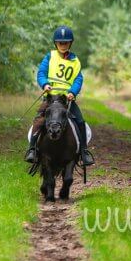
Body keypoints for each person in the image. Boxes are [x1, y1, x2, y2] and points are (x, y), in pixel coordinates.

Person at [24, 26, 95, 166]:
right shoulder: (50, 57)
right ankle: (32, 149)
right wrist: (44, 84)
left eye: (66, 42)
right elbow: (41, 73)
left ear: (70, 43)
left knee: (80, 121)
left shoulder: (75, 61)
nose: (63, 45)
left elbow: (78, 79)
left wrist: (72, 92)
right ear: (55, 43)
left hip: (66, 100)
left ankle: (83, 152)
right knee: (39, 119)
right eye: (60, 43)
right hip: (50, 98)